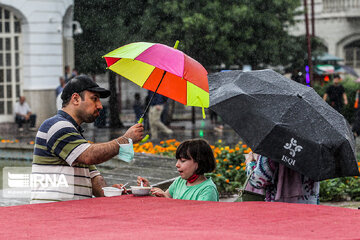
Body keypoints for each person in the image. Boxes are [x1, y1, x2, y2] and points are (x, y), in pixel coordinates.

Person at [31, 75, 144, 204]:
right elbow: (89, 156)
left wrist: (106, 191)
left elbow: (93, 176)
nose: (100, 106)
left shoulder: (75, 133)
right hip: (52, 215)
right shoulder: (57, 125)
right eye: (94, 99)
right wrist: (125, 139)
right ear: (75, 99)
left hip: (70, 215)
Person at [137, 139, 219, 201]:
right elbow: (166, 196)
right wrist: (148, 189)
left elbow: (199, 217)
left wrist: (168, 200)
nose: (177, 164)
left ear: (198, 163)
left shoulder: (207, 190)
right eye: (177, 160)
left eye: (183, 161)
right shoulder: (179, 181)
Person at [245, 152, 320, 204]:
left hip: (280, 208)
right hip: (308, 205)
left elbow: (258, 180)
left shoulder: (274, 140)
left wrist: (249, 163)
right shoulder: (314, 142)